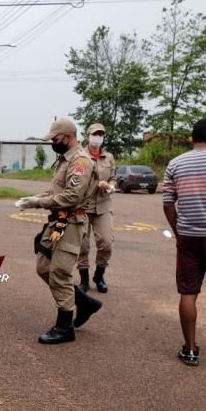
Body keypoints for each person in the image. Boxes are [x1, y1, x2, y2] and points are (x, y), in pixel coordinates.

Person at [15, 117, 102, 344]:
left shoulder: (80, 162)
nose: (53, 142)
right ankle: (83, 301)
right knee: (44, 267)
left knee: (60, 273)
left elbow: (72, 196)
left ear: (68, 136)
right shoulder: (64, 160)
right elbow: (56, 190)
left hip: (71, 223)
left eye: (55, 138)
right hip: (58, 222)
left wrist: (38, 203)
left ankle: (65, 327)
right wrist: (35, 198)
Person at [162, 118, 206, 366]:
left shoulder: (176, 163)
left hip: (188, 236)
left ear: (192, 138)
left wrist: (178, 231)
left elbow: (168, 203)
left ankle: (190, 350)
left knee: (188, 292)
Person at [76, 123, 117, 294]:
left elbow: (114, 177)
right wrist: (95, 183)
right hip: (83, 206)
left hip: (103, 205)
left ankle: (99, 276)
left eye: (100, 134)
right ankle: (84, 280)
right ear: (87, 136)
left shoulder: (109, 157)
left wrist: (111, 185)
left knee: (106, 243)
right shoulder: (79, 156)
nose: (97, 137)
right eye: (94, 134)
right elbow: (76, 180)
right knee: (82, 245)